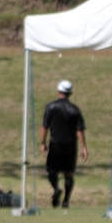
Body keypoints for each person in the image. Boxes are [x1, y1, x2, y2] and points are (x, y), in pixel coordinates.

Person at [40, 79, 88, 209]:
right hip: (70, 145)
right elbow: (79, 130)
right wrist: (84, 147)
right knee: (68, 173)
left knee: (51, 171)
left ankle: (56, 188)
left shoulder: (50, 107)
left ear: (58, 92)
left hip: (55, 144)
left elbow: (45, 126)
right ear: (70, 93)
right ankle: (66, 200)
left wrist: (43, 142)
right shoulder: (75, 110)